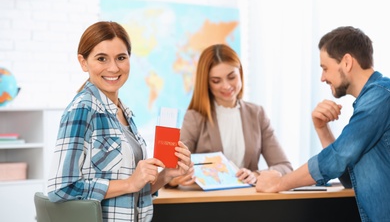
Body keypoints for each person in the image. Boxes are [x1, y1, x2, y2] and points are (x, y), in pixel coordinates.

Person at [47, 21, 191, 222]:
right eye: (102, 58)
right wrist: (130, 183)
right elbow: (61, 189)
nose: (113, 68)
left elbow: (133, 193)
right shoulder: (83, 109)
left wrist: (165, 176)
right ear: (83, 62)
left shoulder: (123, 112)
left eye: (121, 58)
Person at [255, 26, 390, 222]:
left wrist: (279, 183)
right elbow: (348, 178)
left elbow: (338, 157)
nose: (322, 78)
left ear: (346, 62)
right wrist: (322, 128)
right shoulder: (373, 99)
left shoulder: (380, 97)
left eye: (325, 68)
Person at [168, 44, 293, 187]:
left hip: (247, 200)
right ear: (207, 83)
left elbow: (285, 167)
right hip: (208, 202)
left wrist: (256, 175)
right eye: (216, 81)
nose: (226, 86)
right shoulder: (195, 117)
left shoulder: (257, 114)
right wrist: (174, 179)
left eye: (231, 77)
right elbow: (172, 169)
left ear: (240, 74)